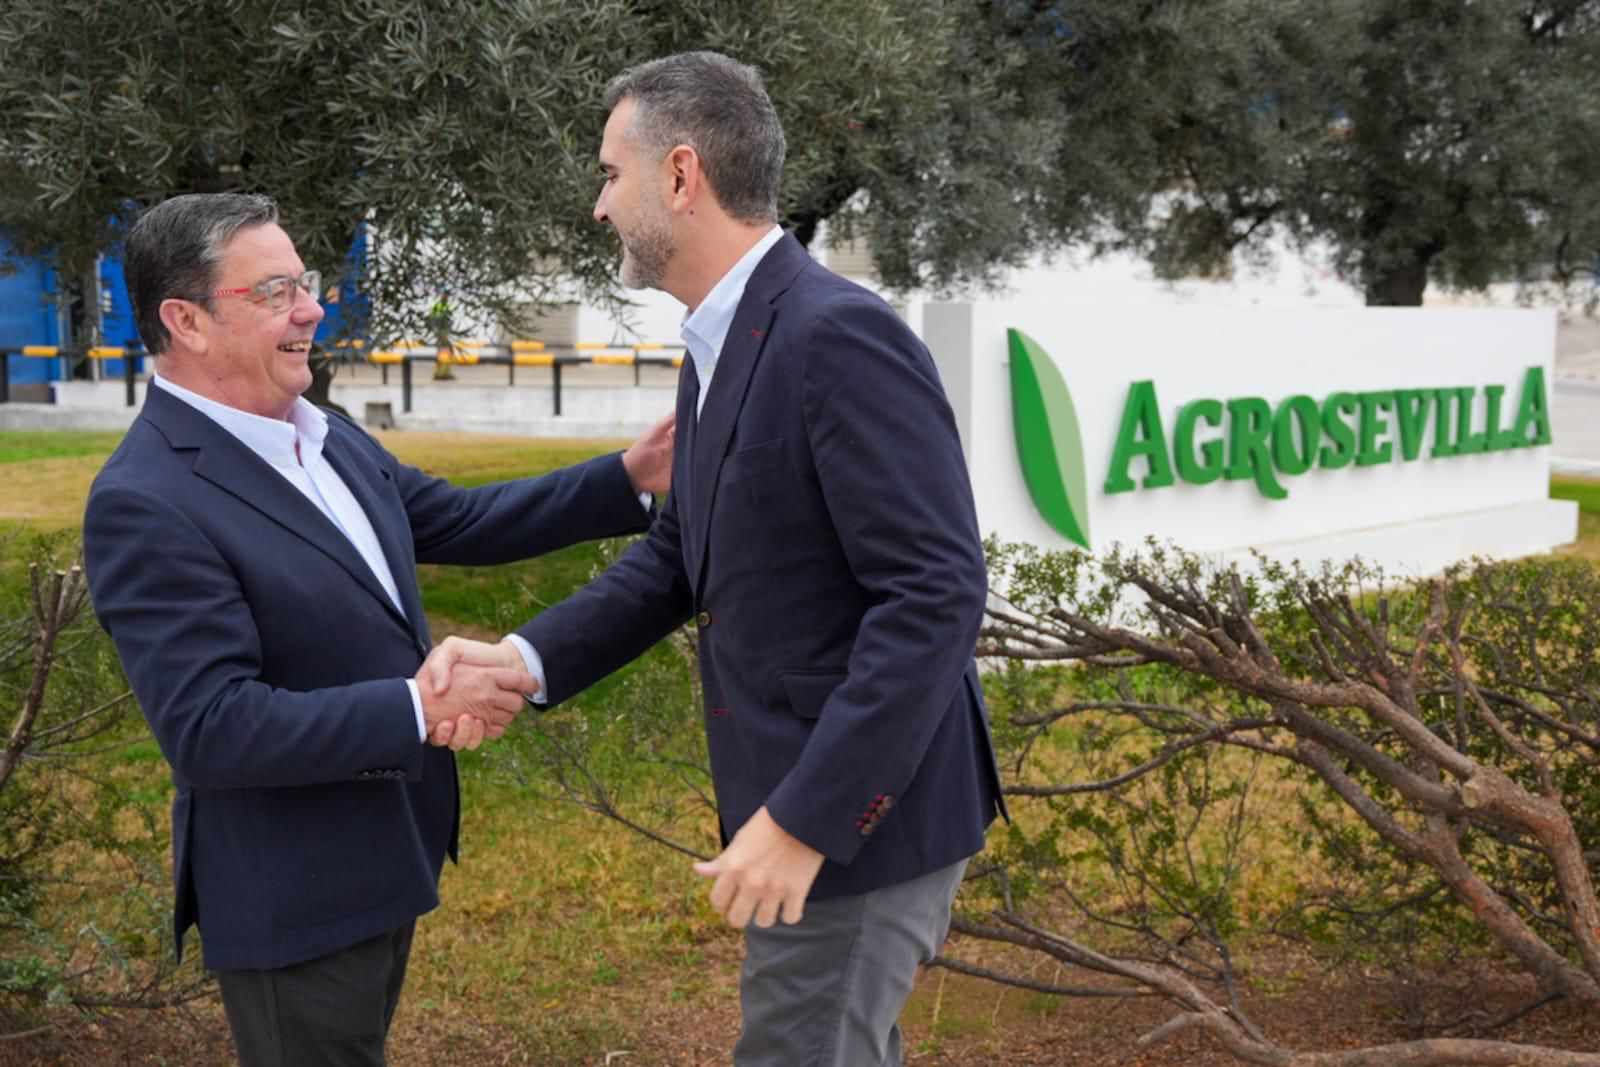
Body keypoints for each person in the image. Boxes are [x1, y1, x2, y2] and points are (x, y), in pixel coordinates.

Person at [429, 51, 1006, 1066]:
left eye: (611, 174)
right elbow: (680, 556)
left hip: (859, 821)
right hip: (808, 805)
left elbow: (936, 592)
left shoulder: (833, 335)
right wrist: (525, 657)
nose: (600, 206)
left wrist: (810, 819)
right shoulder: (725, 337)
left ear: (682, 176)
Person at [82, 192, 673, 1066]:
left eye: (305, 284)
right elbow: (212, 729)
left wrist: (630, 476)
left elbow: (461, 521)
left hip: (385, 858)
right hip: (296, 897)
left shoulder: (323, 435)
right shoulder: (146, 499)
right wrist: (418, 708)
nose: (313, 308)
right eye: (275, 291)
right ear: (186, 321)